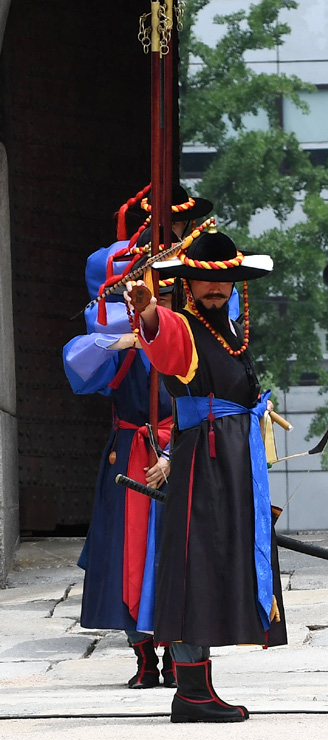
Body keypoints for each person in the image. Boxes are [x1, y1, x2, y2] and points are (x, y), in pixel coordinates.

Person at [125, 224, 286, 723]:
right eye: (205, 281)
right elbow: (161, 337)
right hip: (204, 462)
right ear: (189, 284)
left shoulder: (228, 329)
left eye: (224, 282)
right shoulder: (184, 327)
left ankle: (201, 687)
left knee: (220, 562)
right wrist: (149, 311)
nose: (216, 289)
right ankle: (191, 691)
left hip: (234, 462)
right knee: (196, 562)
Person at [64, 241, 176, 689]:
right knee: (129, 552)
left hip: (178, 446)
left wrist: (173, 454)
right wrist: (121, 338)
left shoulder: (187, 332)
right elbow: (79, 363)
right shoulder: (117, 336)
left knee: (176, 551)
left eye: (167, 295)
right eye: (151, 293)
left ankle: (183, 656)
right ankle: (144, 656)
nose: (159, 302)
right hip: (131, 449)